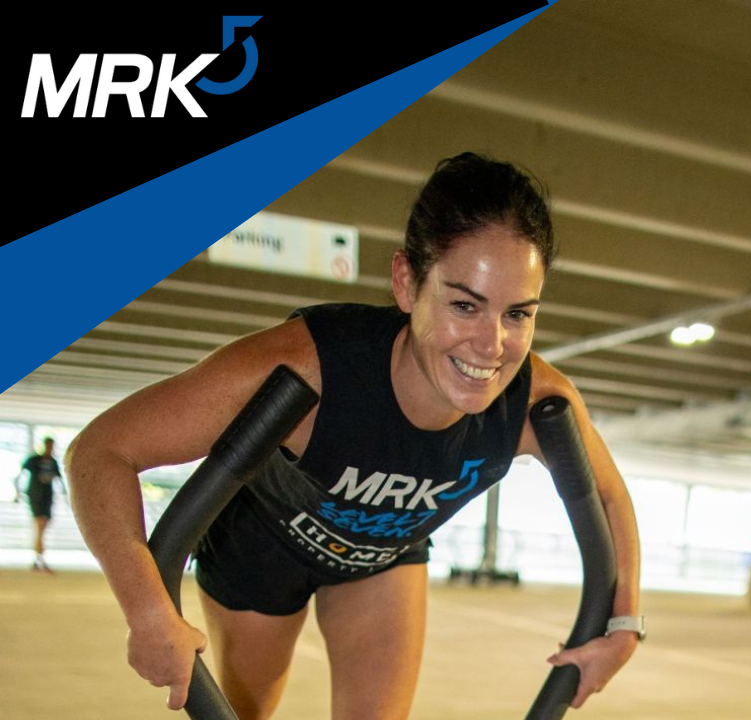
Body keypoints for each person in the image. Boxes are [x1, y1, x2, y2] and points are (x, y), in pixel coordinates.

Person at [66, 152, 642, 720]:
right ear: (407, 283)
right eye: (465, 305)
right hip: (262, 543)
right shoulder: (308, 366)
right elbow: (99, 451)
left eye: (517, 314)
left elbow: (609, 496)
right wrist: (147, 612)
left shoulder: (536, 402)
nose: (492, 346)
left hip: (382, 557)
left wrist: (624, 623)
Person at [16, 436, 64, 573]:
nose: (50, 448)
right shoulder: (34, 460)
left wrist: (67, 497)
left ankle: (38, 559)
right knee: (39, 526)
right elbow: (20, 474)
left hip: (48, 498)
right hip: (35, 496)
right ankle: (39, 559)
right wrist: (17, 492)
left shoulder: (53, 462)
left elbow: (59, 480)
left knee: (42, 528)